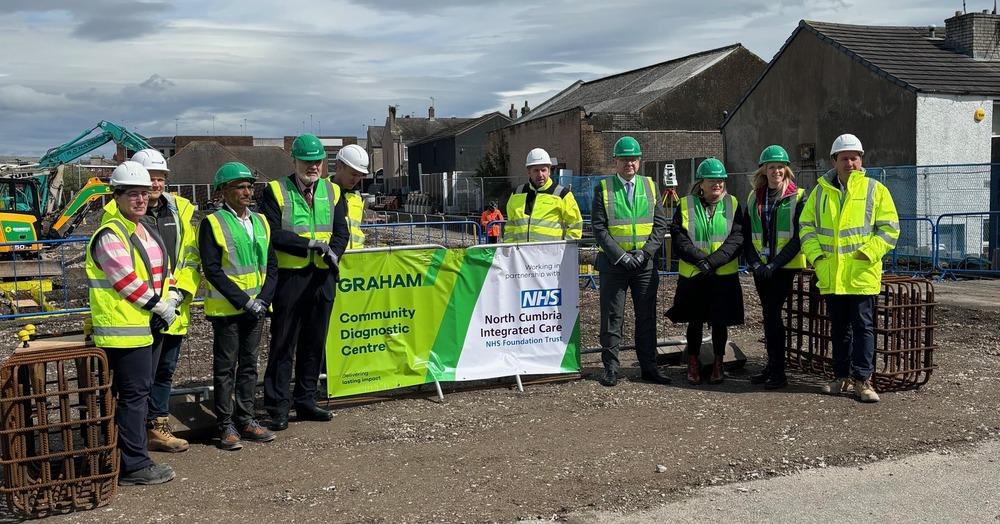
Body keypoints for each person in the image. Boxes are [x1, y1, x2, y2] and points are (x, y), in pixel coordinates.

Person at [85, 161, 176, 485]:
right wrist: (160, 306)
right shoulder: (110, 234)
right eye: (132, 194)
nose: (140, 199)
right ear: (117, 196)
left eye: (143, 193)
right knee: (134, 397)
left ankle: (128, 458)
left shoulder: (143, 229)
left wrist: (172, 294)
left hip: (144, 326)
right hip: (123, 331)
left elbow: (160, 272)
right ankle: (134, 465)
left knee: (138, 394)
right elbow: (126, 281)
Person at [106, 149, 199, 454]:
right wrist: (156, 304)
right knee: (136, 382)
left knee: (165, 370)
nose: (155, 186)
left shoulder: (181, 210)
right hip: (138, 311)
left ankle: (156, 426)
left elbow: (189, 257)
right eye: (150, 180)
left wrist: (176, 296)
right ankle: (130, 440)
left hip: (172, 305)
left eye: (159, 179)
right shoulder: (116, 217)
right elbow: (125, 271)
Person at [799, 134, 899, 402]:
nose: (850, 163)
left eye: (855, 157)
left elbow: (889, 229)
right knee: (839, 329)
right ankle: (841, 377)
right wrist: (817, 257)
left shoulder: (875, 190)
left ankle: (863, 380)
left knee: (863, 327)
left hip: (860, 273)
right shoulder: (820, 192)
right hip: (832, 274)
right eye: (845, 158)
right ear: (834, 161)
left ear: (861, 160)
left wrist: (869, 253)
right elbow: (806, 227)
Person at [261, 134, 349, 430]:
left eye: (318, 161)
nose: (313, 166)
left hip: (322, 277)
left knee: (314, 343)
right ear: (294, 160)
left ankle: (306, 400)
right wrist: (310, 245)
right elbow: (273, 233)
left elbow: (341, 231)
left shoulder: (333, 191)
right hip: (291, 278)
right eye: (307, 161)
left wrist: (334, 254)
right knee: (284, 343)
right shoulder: (275, 191)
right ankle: (277, 406)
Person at [200, 162, 279, 450]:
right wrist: (245, 301)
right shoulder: (213, 223)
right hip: (228, 311)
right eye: (240, 186)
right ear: (224, 191)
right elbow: (212, 269)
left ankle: (246, 420)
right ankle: (226, 425)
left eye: (249, 186)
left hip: (256, 309)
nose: (247, 191)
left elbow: (270, 265)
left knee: (249, 366)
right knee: (225, 369)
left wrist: (264, 299)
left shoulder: (260, 221)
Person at [591, 136, 670, 387]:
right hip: (614, 265)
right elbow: (599, 228)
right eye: (625, 159)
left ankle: (649, 367)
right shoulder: (603, 188)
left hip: (643, 265)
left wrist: (644, 253)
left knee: (646, 317)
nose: (630, 163)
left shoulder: (650, 186)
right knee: (612, 317)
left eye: (634, 159)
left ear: (639, 161)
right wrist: (621, 255)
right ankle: (611, 368)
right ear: (615, 161)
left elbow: (659, 226)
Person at [666, 158, 744, 385]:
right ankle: (693, 362)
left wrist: (713, 262)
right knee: (695, 321)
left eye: (720, 180)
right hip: (695, 275)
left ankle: (718, 363)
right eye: (712, 180)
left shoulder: (733, 204)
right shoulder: (685, 204)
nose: (717, 184)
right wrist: (701, 261)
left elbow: (737, 238)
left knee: (720, 322)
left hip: (722, 275)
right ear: (702, 183)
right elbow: (679, 239)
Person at [744, 145, 806, 390]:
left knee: (772, 315)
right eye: (772, 167)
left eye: (780, 167)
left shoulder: (798, 196)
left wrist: (776, 263)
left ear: (786, 169)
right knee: (769, 317)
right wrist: (756, 263)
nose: (776, 171)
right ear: (764, 170)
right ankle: (772, 366)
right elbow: (747, 234)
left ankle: (778, 372)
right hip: (762, 267)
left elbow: (799, 237)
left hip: (784, 266)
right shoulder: (754, 197)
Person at [504, 148, 583, 242]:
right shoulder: (517, 193)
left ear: (549, 171)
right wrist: (509, 249)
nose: (540, 174)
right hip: (521, 255)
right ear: (529, 172)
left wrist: (565, 251)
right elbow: (510, 226)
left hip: (552, 255)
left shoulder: (562, 195)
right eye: (536, 170)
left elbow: (575, 225)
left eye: (543, 170)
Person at [331, 144, 369, 250]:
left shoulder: (358, 197)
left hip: (356, 257)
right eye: (353, 174)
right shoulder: (321, 192)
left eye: (359, 175)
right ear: (339, 166)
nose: (356, 179)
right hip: (331, 257)